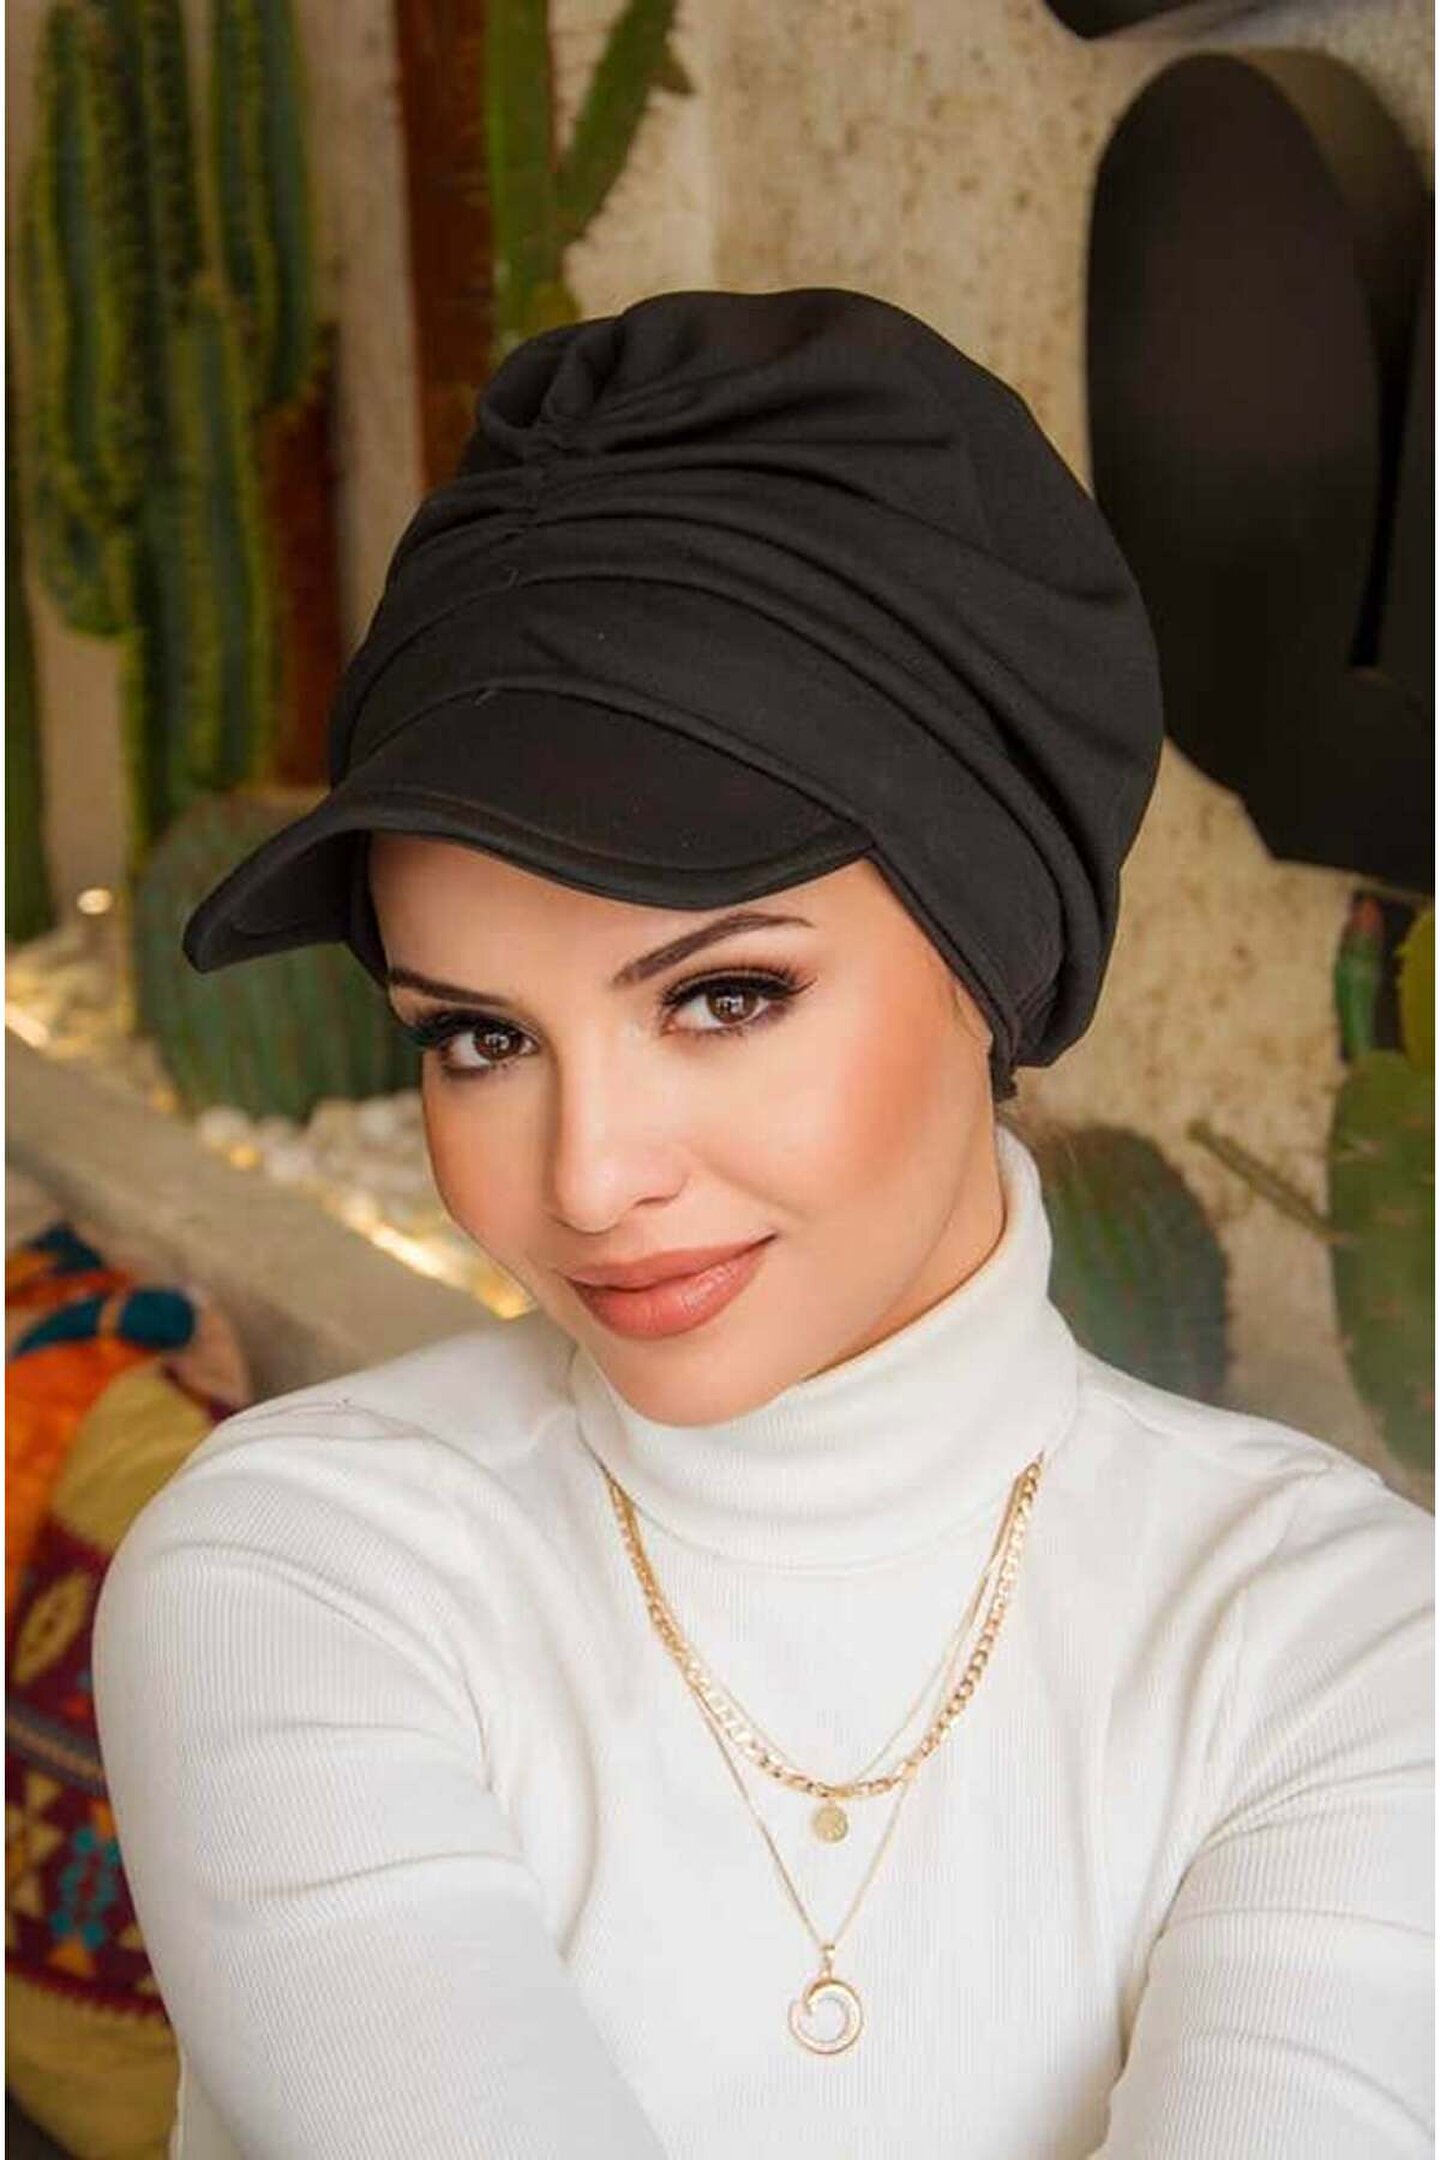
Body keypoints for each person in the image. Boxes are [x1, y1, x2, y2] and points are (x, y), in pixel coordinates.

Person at [92, 288, 1432, 2160]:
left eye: (723, 996)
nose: (587, 1177)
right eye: (479, 1038)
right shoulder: (303, 1573)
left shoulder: (1341, 1642)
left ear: (992, 963)